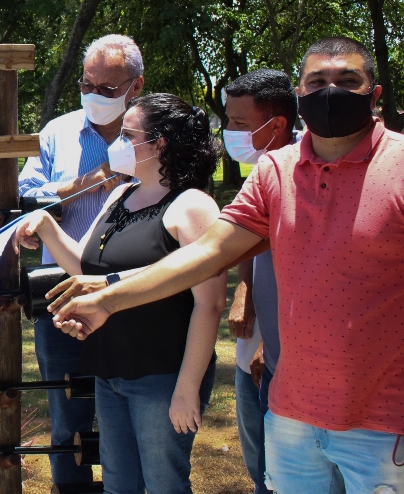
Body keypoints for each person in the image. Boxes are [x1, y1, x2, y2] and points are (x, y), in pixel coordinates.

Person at [54, 37, 404, 494]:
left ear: (374, 95)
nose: (331, 92)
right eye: (317, 81)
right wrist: (109, 298)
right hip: (292, 413)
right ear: (300, 93)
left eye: (347, 80)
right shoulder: (275, 171)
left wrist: (108, 295)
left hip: (382, 420)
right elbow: (209, 254)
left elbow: (207, 285)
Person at [15, 93, 226, 493]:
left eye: (128, 135)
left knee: (164, 485)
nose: (117, 144)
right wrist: (46, 225)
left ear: (159, 143)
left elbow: (210, 303)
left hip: (162, 375)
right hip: (109, 370)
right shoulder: (119, 194)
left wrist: (187, 387)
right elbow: (85, 268)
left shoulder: (193, 206)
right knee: (118, 485)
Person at [16, 33, 144, 491]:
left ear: (136, 86)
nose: (94, 95)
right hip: (62, 296)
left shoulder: (154, 134)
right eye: (87, 85)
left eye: (107, 88)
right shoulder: (57, 132)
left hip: (136, 297)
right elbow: (27, 196)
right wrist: (89, 181)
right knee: (66, 418)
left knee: (133, 415)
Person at [222, 69, 299, 494]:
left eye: (239, 123)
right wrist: (244, 290)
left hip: (286, 348)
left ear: (276, 125)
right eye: (227, 120)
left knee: (280, 467)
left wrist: (274, 340)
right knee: (256, 458)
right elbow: (243, 243)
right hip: (256, 337)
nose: (229, 131)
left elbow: (308, 270)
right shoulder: (260, 169)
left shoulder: (303, 172)